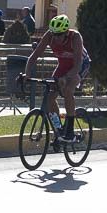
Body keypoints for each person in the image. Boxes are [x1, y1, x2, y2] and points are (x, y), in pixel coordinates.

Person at [21, 14, 89, 144]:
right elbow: (34, 56)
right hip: (63, 65)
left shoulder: (75, 37)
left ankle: (69, 131)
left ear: (66, 32)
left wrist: (65, 78)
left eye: (59, 35)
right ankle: (59, 130)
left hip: (79, 65)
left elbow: (78, 64)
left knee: (68, 90)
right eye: (54, 34)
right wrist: (27, 74)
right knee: (50, 97)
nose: (56, 38)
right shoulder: (50, 36)